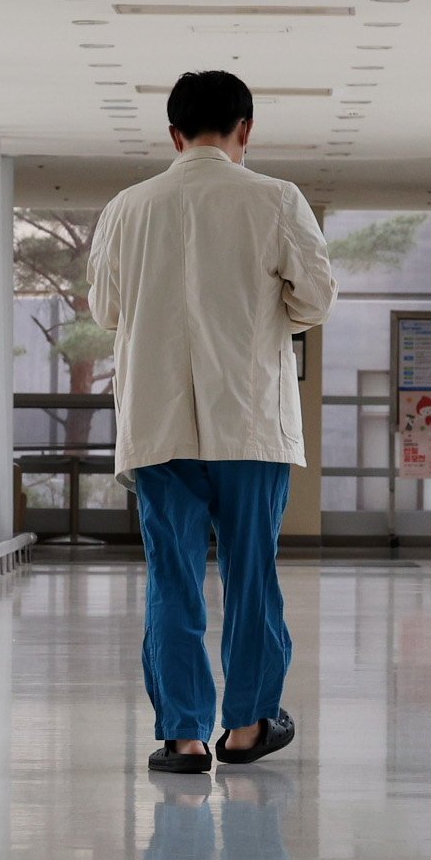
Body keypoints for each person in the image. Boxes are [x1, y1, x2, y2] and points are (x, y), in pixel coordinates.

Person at [89, 69, 336, 776]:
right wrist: (268, 317)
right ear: (245, 130)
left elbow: (107, 309)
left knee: (173, 578)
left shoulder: (127, 208)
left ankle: (184, 736)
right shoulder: (275, 200)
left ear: (173, 133)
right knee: (251, 575)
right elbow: (314, 298)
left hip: (157, 422)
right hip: (249, 422)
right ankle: (249, 727)